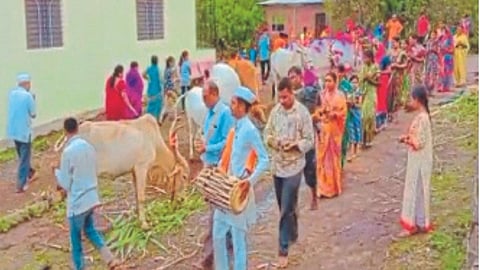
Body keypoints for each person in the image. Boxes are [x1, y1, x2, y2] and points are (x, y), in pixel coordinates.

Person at [51, 118, 120, 270]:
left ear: (65, 131)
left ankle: (79, 267)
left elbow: (66, 183)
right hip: (92, 198)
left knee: (76, 242)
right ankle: (110, 259)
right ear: (77, 128)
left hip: (77, 203)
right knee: (90, 230)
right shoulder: (89, 147)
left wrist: (56, 171)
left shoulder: (68, 152)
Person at [212, 86, 269, 270]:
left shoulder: (249, 130)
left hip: (238, 192)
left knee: (238, 239)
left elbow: (264, 159)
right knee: (218, 234)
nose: (231, 106)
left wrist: (249, 182)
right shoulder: (234, 129)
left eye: (234, 103)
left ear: (243, 107)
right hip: (225, 189)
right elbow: (227, 157)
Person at [264, 77, 314, 268]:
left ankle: (283, 249)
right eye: (280, 97)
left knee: (285, 209)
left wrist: (296, 145)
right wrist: (274, 142)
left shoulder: (302, 113)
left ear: (292, 93)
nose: (282, 101)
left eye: (285, 97)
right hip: (277, 166)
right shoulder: (275, 112)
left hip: (294, 167)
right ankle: (292, 232)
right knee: (285, 206)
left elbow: (310, 140)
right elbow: (266, 133)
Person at [193, 80, 235, 270]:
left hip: (220, 168)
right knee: (220, 211)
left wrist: (208, 147)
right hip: (208, 165)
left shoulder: (224, 113)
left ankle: (207, 258)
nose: (203, 100)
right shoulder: (209, 115)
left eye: (205, 96)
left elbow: (228, 141)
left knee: (215, 214)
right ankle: (230, 244)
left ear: (214, 94)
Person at [398, 85, 433, 237]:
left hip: (419, 160)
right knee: (419, 190)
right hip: (420, 160)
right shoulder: (423, 117)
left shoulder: (422, 119)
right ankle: (420, 221)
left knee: (413, 190)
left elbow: (418, 142)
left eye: (412, 99)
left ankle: (410, 224)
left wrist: (407, 139)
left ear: (417, 100)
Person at [288, 66, 319, 210]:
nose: (291, 80)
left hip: (306, 136)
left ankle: (314, 196)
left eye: (293, 77)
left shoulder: (309, 92)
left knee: (309, 169)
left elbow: (310, 111)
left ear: (300, 77)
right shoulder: (288, 96)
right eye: (289, 77)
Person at [312, 72, 347, 198]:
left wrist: (334, 114)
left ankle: (332, 188)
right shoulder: (321, 95)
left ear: (335, 82)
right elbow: (318, 110)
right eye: (325, 80)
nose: (327, 83)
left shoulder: (340, 96)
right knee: (321, 158)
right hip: (323, 130)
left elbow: (343, 113)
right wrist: (320, 113)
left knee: (332, 159)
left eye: (330, 81)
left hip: (334, 131)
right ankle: (322, 188)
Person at [6, 73, 38, 193]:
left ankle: (30, 172)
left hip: (13, 130)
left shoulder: (12, 94)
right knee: (24, 157)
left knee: (21, 154)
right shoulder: (28, 96)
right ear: (26, 84)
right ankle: (21, 184)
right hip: (24, 131)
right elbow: (33, 114)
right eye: (29, 84)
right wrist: (33, 100)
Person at [359, 50, 379, 148]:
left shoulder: (375, 67)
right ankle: (363, 140)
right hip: (364, 93)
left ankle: (369, 140)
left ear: (371, 58)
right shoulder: (363, 67)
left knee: (370, 116)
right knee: (363, 117)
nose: (364, 59)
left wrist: (369, 79)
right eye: (364, 57)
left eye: (366, 58)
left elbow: (378, 82)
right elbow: (360, 79)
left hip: (371, 94)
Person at [388, 37, 408, 122]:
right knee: (389, 96)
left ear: (398, 43)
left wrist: (397, 66)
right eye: (392, 43)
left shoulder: (402, 53)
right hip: (390, 76)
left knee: (397, 96)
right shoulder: (389, 52)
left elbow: (406, 65)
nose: (393, 44)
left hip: (398, 77)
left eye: (394, 42)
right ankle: (389, 115)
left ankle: (396, 116)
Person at [347, 75, 363, 161]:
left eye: (356, 82)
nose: (354, 84)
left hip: (357, 113)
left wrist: (353, 104)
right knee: (351, 132)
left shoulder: (359, 92)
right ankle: (352, 153)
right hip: (350, 114)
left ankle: (356, 151)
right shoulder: (348, 92)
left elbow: (359, 104)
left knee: (357, 131)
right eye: (352, 82)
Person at [143, 56, 164, 121]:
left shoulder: (149, 68)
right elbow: (161, 79)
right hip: (157, 89)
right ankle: (157, 119)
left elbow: (143, 74)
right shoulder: (158, 69)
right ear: (157, 61)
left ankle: (148, 118)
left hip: (151, 87)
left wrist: (148, 79)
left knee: (150, 104)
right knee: (158, 104)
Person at [376, 57, 391, 132]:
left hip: (383, 87)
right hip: (380, 88)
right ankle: (382, 122)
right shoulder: (382, 73)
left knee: (382, 102)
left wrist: (379, 73)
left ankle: (382, 122)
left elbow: (389, 71)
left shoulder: (384, 74)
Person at [438, 26, 454, 92]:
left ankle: (447, 86)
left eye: (444, 30)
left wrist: (446, 50)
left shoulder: (450, 38)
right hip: (441, 56)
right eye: (442, 30)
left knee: (447, 71)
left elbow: (452, 48)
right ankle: (441, 86)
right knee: (441, 71)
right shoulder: (441, 38)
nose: (443, 32)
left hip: (448, 57)